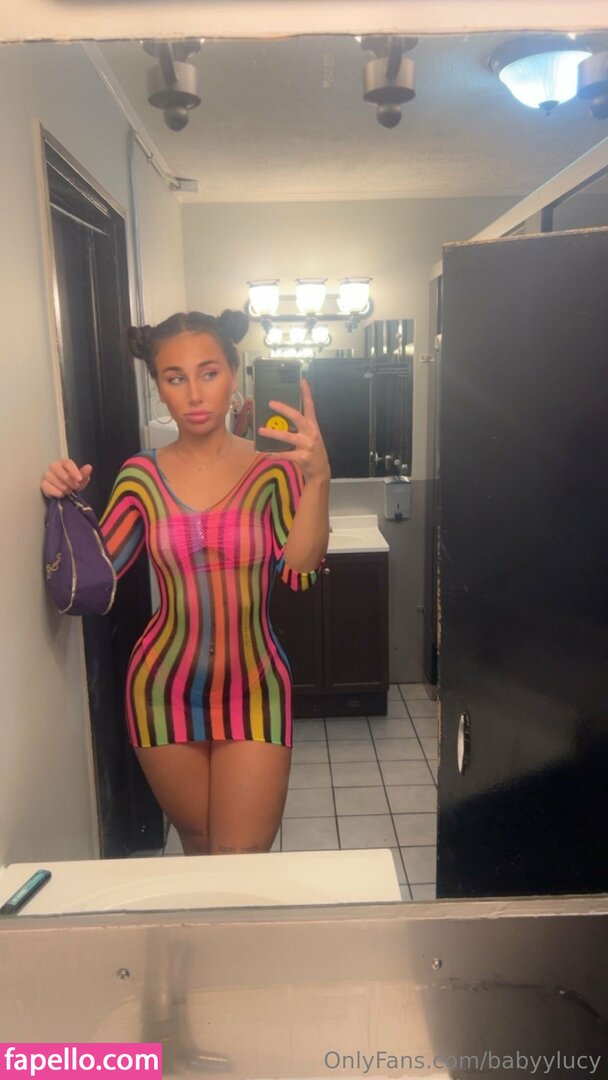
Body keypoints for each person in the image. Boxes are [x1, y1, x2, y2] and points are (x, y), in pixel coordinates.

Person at [40, 310, 330, 856]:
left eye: (209, 373)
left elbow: (300, 572)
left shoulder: (274, 469)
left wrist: (319, 479)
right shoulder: (140, 475)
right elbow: (96, 580)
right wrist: (64, 499)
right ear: (158, 387)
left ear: (234, 373)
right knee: (197, 850)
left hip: (256, 685)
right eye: (175, 378)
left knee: (240, 859)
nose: (195, 394)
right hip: (161, 689)